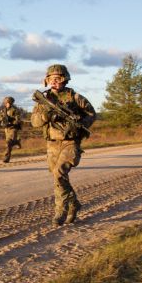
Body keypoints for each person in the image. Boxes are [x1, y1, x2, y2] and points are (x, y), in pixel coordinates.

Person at [31, 65, 96, 225]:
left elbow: (92, 114)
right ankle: (74, 204)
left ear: (65, 79)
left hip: (70, 142)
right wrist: (46, 115)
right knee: (57, 178)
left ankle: (60, 211)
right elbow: (34, 122)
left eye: (58, 78)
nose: (54, 81)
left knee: (59, 173)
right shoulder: (43, 100)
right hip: (52, 144)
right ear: (46, 80)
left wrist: (80, 123)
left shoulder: (75, 97)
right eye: (50, 78)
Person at [0, 96, 22, 163]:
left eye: (8, 103)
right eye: (6, 103)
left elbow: (18, 120)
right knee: (9, 143)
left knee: (8, 143)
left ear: (11, 103)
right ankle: (17, 142)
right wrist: (2, 118)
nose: (7, 104)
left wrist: (11, 120)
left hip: (13, 128)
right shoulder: (3, 110)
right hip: (6, 129)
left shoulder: (15, 110)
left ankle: (6, 158)